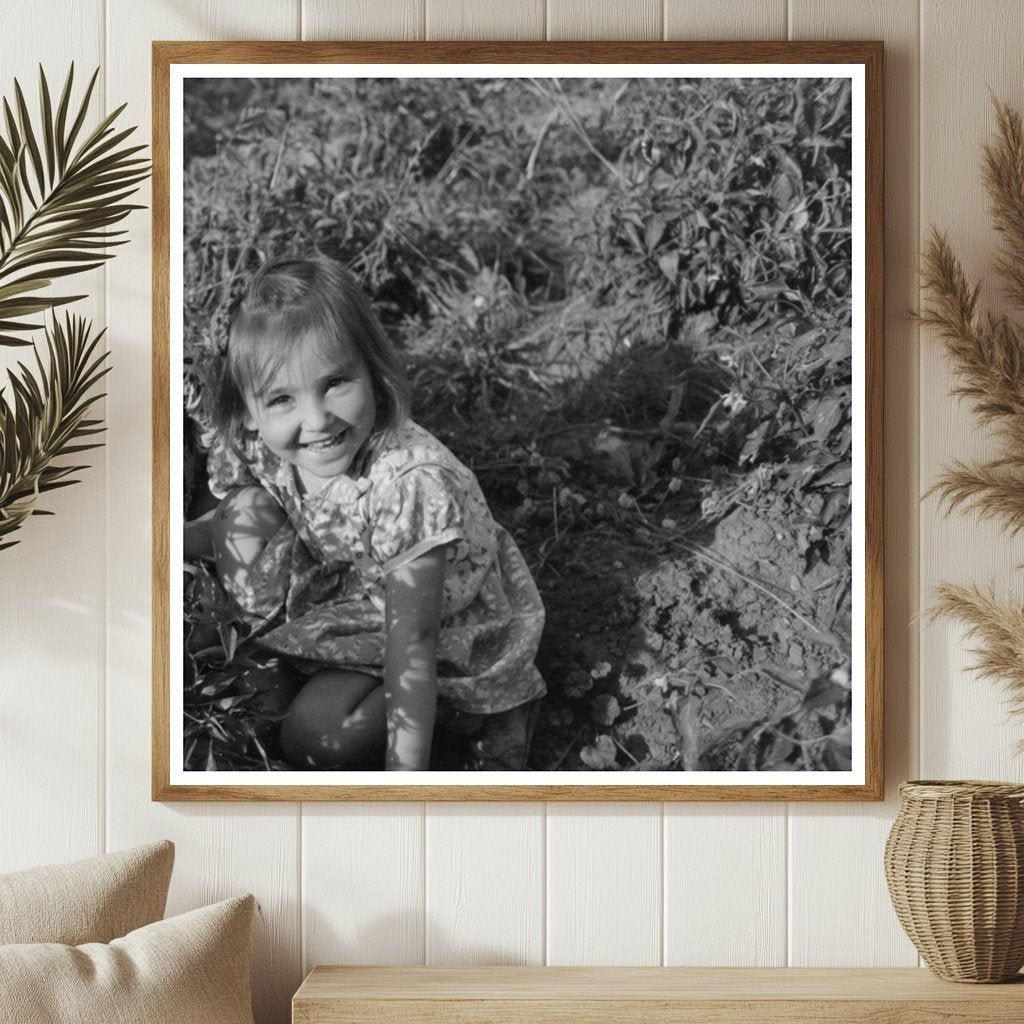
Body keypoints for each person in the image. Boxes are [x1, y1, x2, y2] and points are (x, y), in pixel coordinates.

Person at [186, 254, 546, 772]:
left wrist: (406, 781)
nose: (316, 420)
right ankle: (285, 656)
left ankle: (462, 711)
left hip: (425, 622)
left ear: (372, 371)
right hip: (339, 581)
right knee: (240, 511)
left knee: (315, 736)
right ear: (248, 408)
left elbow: (413, 639)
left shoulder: (409, 485)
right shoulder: (266, 441)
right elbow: (227, 522)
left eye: (335, 383)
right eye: (283, 398)